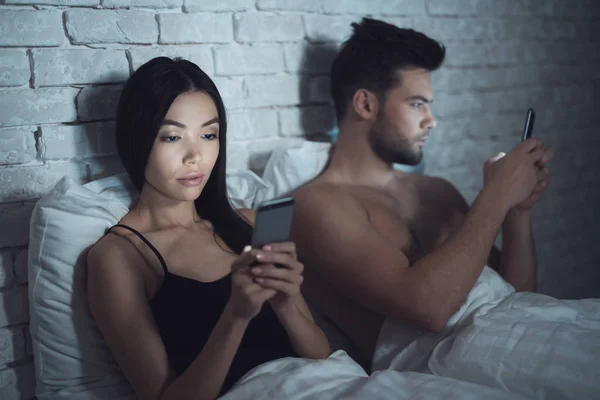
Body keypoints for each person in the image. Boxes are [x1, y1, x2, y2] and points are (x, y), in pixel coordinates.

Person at [291, 18, 599, 399]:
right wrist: (496, 196)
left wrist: (517, 212)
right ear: (366, 103)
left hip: (526, 327)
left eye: (429, 105)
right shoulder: (318, 204)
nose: (431, 120)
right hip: (452, 358)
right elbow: (428, 309)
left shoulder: (436, 191)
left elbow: (516, 294)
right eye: (416, 103)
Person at [86, 57, 331, 400]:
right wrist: (235, 315)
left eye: (208, 134)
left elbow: (323, 359)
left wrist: (287, 303)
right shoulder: (119, 257)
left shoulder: (247, 222)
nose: (195, 156)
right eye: (172, 137)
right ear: (137, 139)